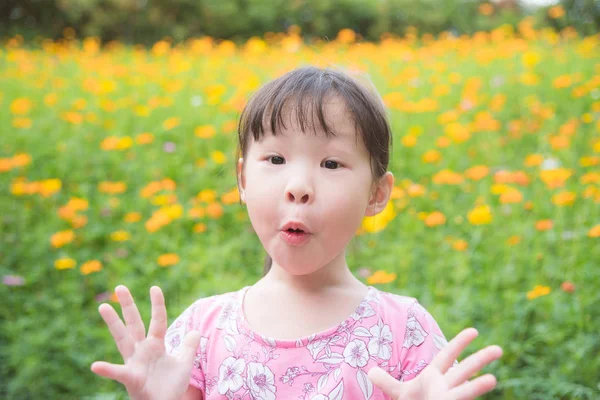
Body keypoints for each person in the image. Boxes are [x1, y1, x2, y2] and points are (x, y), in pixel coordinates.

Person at [90, 66, 503, 400]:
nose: (299, 185)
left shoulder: (404, 332)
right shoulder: (202, 331)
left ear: (377, 194)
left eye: (331, 164)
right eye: (275, 158)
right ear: (242, 179)